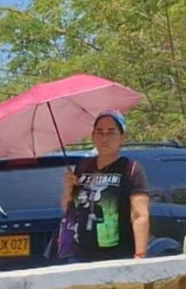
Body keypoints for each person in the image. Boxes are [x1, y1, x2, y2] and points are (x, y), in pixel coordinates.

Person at [61, 110, 150, 261]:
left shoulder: (131, 169)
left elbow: (139, 215)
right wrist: (68, 189)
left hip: (118, 256)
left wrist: (140, 255)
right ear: (93, 137)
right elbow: (68, 209)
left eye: (111, 132)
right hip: (81, 256)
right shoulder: (82, 167)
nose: (104, 138)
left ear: (122, 137)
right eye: (99, 132)